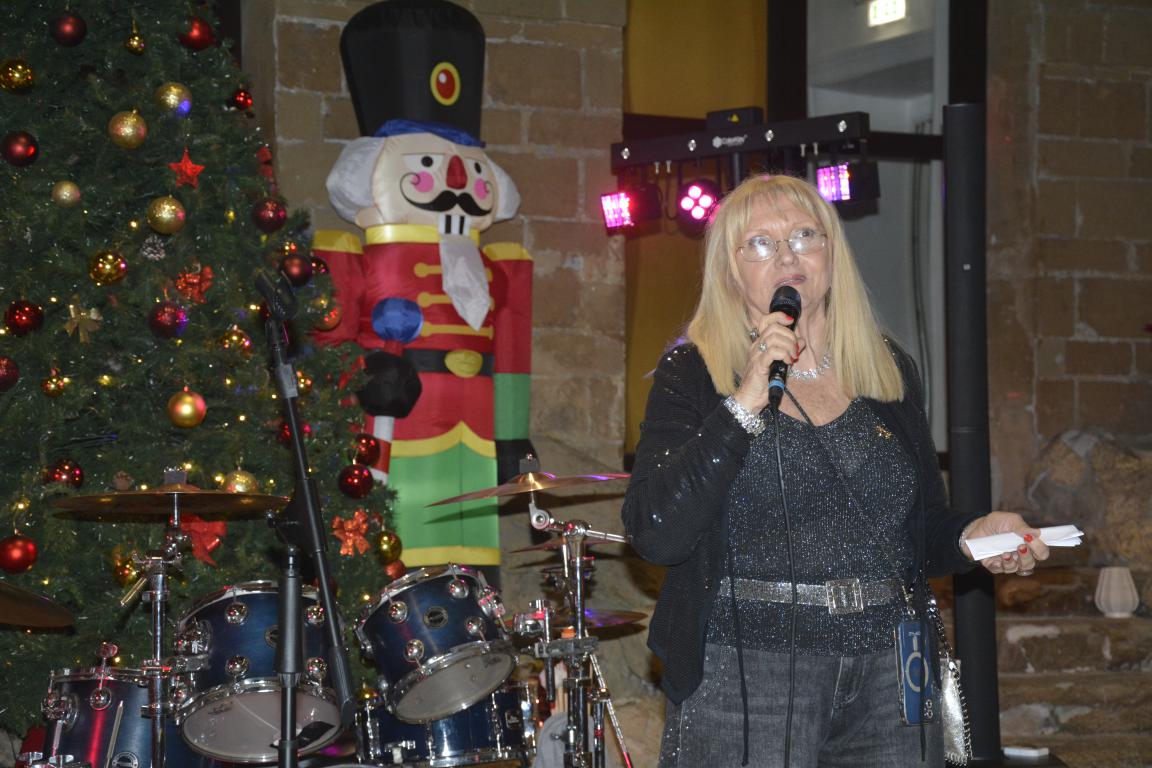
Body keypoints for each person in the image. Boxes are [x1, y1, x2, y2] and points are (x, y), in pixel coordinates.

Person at [620, 173, 1049, 768]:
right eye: (760, 243)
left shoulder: (886, 368)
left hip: (890, 669)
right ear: (730, 271)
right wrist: (744, 400)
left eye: (804, 236)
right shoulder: (694, 373)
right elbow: (656, 531)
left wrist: (973, 534)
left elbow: (920, 527)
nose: (787, 256)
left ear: (831, 255)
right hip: (750, 670)